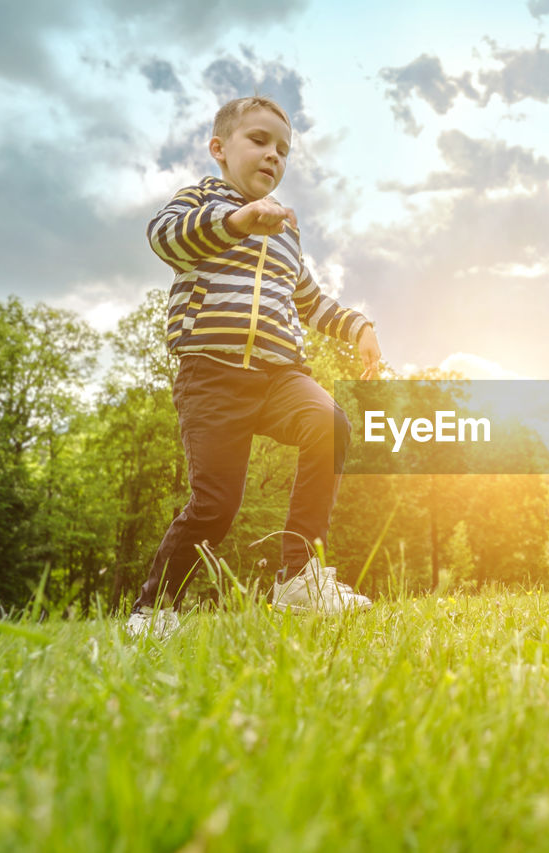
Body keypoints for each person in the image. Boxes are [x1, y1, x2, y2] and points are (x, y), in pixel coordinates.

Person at [127, 96, 379, 638]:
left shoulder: (286, 231)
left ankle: (298, 578)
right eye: (259, 141)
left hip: (279, 375)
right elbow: (165, 238)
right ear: (219, 148)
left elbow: (309, 300)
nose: (273, 157)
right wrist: (239, 220)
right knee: (216, 505)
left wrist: (358, 326)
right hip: (211, 376)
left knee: (329, 422)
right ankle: (154, 609)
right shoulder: (200, 201)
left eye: (283, 151)